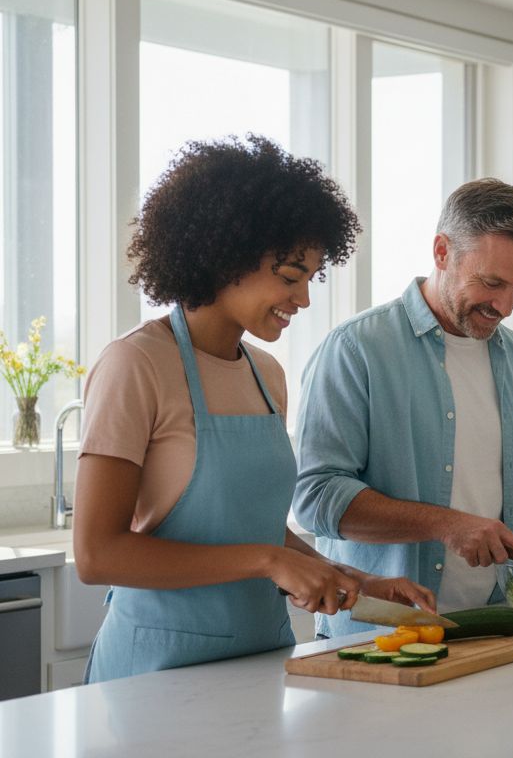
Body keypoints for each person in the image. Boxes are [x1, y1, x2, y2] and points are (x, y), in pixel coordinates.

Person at [74, 136, 435, 683]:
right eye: (290, 277)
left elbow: (255, 528)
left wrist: (356, 580)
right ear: (223, 256)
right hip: (152, 673)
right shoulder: (135, 365)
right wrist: (268, 562)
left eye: (311, 279)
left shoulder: (267, 375)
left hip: (260, 659)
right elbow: (98, 555)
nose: (304, 299)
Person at [292, 178, 513, 637]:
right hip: (383, 636)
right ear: (441, 252)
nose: (505, 305)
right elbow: (316, 497)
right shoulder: (356, 350)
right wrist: (444, 525)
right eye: (492, 283)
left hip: (497, 629)